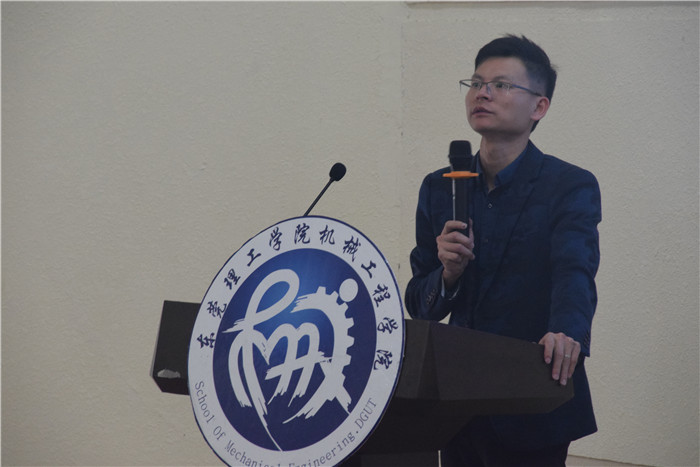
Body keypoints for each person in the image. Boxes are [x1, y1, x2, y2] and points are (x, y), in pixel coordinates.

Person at [404, 35, 601, 466]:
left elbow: (574, 269)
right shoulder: (439, 187)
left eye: (501, 85)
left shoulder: (568, 185)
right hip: (455, 406)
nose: (483, 93)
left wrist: (566, 332)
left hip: (533, 397)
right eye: (476, 83)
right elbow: (420, 305)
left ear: (539, 107)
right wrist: (447, 274)